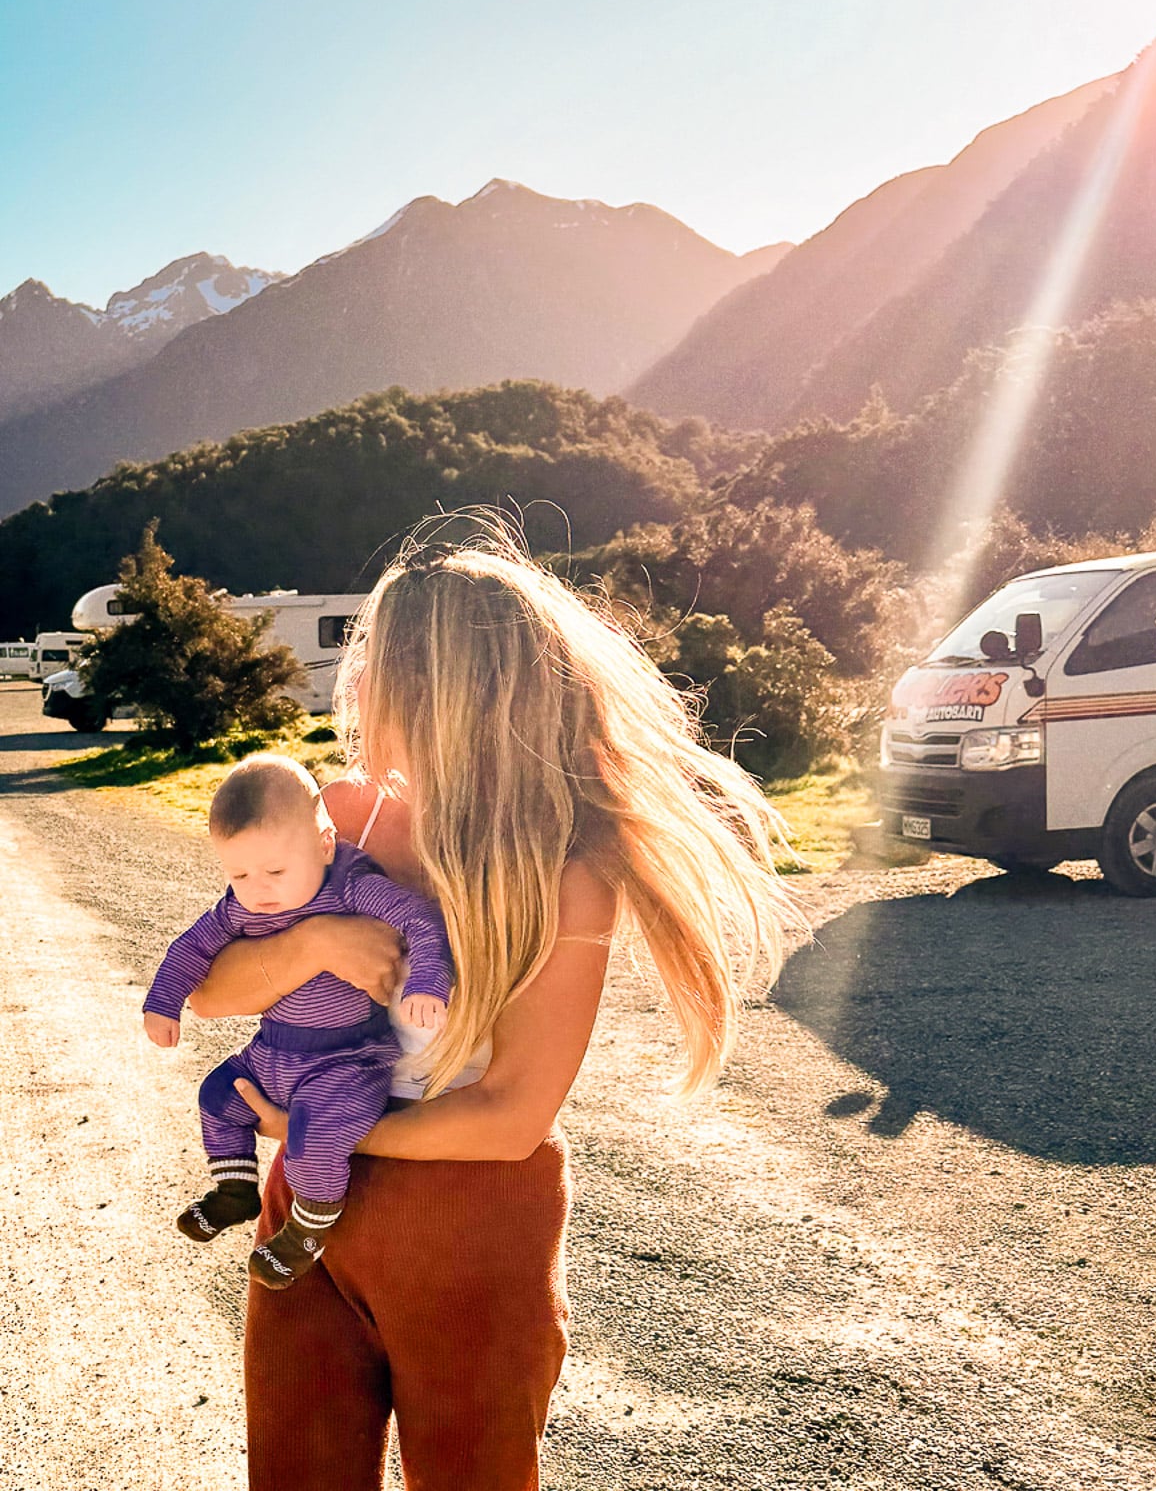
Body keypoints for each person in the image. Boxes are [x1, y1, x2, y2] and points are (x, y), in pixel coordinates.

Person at [185, 523, 796, 1491]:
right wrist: (310, 944)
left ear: (429, 682)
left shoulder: (563, 866)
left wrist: (322, 1127)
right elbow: (207, 992)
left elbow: (511, 1118)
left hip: (465, 1220)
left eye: (375, 659)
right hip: (308, 1204)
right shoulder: (339, 817)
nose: (357, 682)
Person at [144, 754, 452, 1288]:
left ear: (325, 845)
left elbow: (420, 920)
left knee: (315, 1139)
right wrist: (162, 1002)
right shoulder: (244, 905)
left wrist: (427, 981)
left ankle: (306, 1233)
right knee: (217, 1097)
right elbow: (192, 949)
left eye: (276, 872)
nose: (258, 889)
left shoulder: (351, 887)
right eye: (238, 873)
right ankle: (235, 1192)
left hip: (347, 1059)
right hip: (273, 1050)